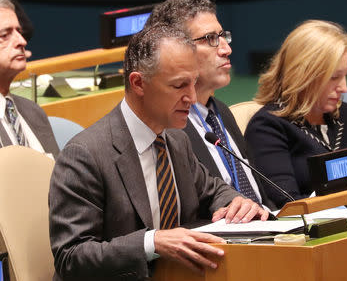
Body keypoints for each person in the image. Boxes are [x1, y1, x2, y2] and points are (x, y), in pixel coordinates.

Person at [49, 23, 268, 281]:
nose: (191, 96)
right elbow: (71, 256)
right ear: (139, 83)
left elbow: (211, 190)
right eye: (179, 86)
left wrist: (234, 203)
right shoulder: (85, 155)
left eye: (194, 83)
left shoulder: (175, 140)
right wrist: (152, 243)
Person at [146, 0, 275, 210]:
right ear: (173, 50)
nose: (226, 50)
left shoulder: (220, 112)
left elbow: (262, 197)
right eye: (209, 39)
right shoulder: (164, 128)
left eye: (223, 37)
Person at [245, 20, 347, 208]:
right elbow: (289, 206)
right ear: (303, 75)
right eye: (334, 77)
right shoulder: (267, 127)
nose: (344, 88)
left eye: (346, 75)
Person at [0, 0, 58, 157]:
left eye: (18, 31)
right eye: (5, 35)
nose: (22, 41)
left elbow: (61, 179)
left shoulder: (33, 112)